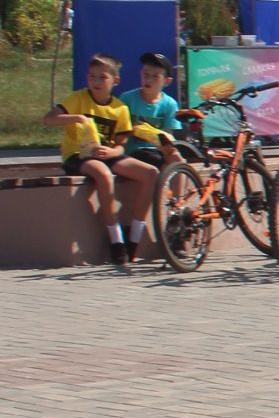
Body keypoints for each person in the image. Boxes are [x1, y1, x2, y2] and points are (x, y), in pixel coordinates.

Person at [43, 53, 165, 272]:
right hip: (79, 156)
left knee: (150, 173)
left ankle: (134, 237)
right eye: (92, 77)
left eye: (102, 77)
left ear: (114, 81)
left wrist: (111, 151)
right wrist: (77, 118)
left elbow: (120, 145)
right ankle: (115, 239)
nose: (96, 82)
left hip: (107, 154)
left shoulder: (119, 108)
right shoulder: (78, 99)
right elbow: (49, 119)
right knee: (104, 175)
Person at [118, 52, 184, 170]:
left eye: (155, 76)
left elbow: (168, 134)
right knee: (162, 165)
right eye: (146, 74)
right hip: (134, 151)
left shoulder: (170, 104)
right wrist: (134, 129)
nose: (148, 79)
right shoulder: (127, 99)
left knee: (179, 161)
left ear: (167, 81)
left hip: (159, 150)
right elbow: (119, 132)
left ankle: (179, 189)